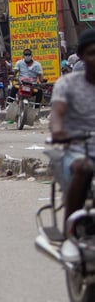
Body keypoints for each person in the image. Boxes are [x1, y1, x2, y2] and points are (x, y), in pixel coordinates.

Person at [49, 29, 95, 226]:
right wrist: (59, 131)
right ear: (82, 57)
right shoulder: (67, 83)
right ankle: (70, 227)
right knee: (84, 169)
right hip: (77, 149)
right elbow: (57, 114)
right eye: (92, 53)